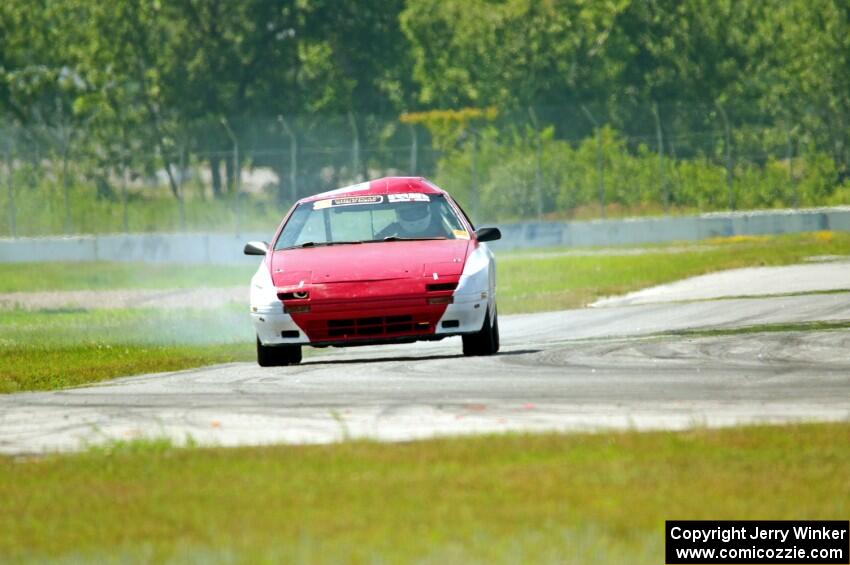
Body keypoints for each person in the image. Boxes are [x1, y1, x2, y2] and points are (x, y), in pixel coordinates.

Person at [375, 200, 449, 239]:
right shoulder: (392, 229)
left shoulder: (440, 225)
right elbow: (376, 241)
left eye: (419, 211)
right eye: (408, 213)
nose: (415, 215)